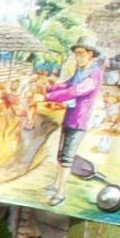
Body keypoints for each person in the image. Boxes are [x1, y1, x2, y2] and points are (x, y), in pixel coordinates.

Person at [43, 40, 105, 204]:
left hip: (79, 121)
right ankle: (55, 185)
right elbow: (68, 83)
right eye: (76, 53)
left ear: (90, 54)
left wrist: (50, 96)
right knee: (61, 154)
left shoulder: (94, 74)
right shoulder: (80, 71)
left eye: (81, 53)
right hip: (69, 117)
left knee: (67, 159)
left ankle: (61, 193)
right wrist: (51, 88)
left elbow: (76, 90)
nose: (77, 57)